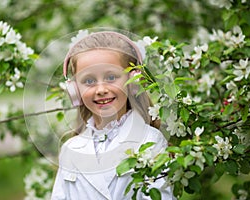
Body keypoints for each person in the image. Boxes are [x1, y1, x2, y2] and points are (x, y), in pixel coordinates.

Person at [51, 31, 174, 200]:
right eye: (88, 81)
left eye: (111, 77)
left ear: (133, 81)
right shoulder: (70, 150)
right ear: (74, 90)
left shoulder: (151, 141)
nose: (101, 89)